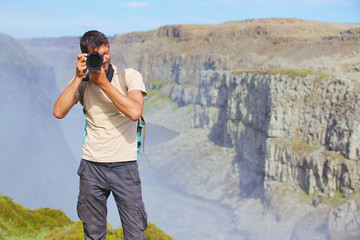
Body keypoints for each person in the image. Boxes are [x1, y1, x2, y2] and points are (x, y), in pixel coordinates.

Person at [53, 30, 148, 240]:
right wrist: (79, 77)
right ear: (86, 56)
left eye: (105, 53)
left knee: (135, 234)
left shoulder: (129, 76)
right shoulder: (83, 81)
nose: (103, 60)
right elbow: (58, 111)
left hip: (125, 167)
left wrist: (102, 83)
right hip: (91, 167)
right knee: (93, 234)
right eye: (97, 56)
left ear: (109, 48)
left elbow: (134, 112)